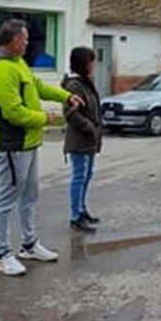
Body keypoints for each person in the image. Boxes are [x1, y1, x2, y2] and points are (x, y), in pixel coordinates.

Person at [0, 19, 82, 276]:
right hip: (13, 144)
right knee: (8, 197)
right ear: (14, 40)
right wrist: (45, 119)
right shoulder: (1, 69)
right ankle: (3, 253)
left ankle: (29, 244)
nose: (28, 43)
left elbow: (38, 87)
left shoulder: (19, 65)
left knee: (29, 196)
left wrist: (65, 96)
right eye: (25, 39)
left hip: (29, 143)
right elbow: (13, 112)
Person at [61, 47, 103, 233]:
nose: (93, 65)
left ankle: (82, 208)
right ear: (82, 63)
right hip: (79, 139)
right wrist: (89, 127)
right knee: (79, 176)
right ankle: (75, 216)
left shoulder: (87, 82)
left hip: (90, 139)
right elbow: (70, 114)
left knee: (87, 175)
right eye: (90, 61)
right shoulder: (74, 86)